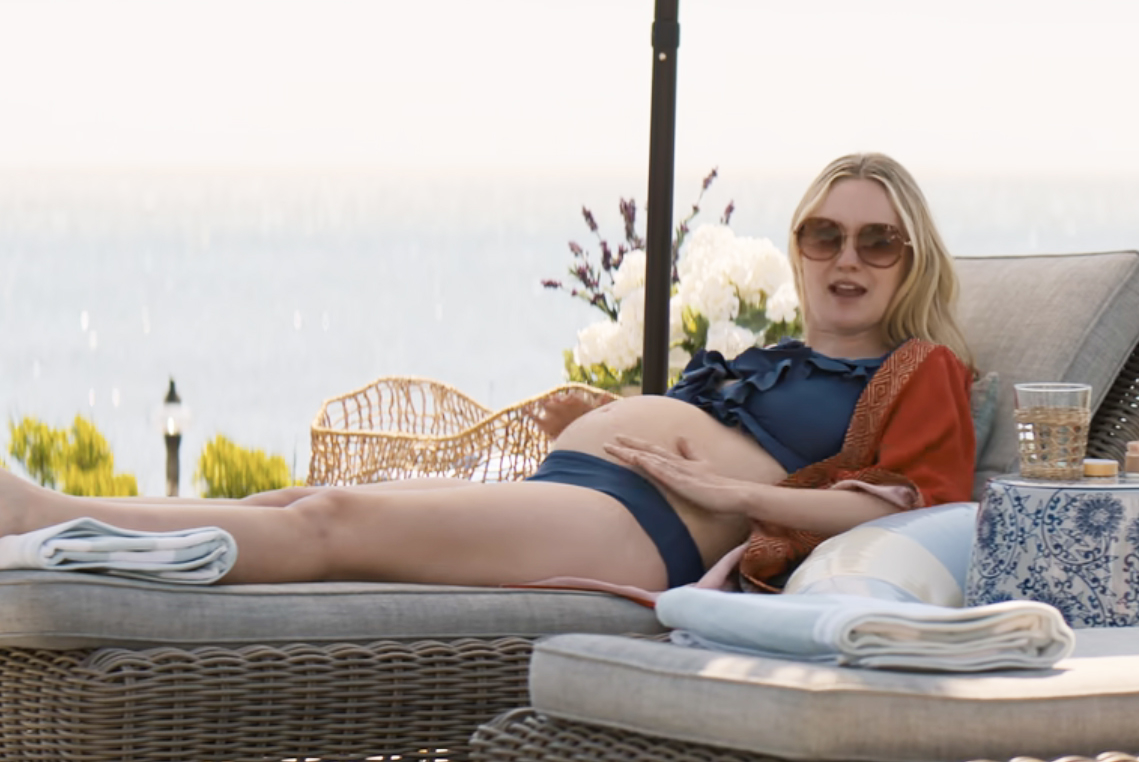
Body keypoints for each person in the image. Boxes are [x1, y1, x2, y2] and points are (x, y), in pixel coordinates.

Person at [0, 152, 976, 597]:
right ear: (798, 246)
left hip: (641, 531)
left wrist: (722, 489)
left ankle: (37, 518)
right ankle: (57, 534)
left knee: (333, 527)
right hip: (584, 488)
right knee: (305, 495)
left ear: (912, 260)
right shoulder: (773, 355)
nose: (847, 258)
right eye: (825, 233)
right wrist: (595, 414)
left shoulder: (917, 368)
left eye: (879, 242)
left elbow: (906, 508)